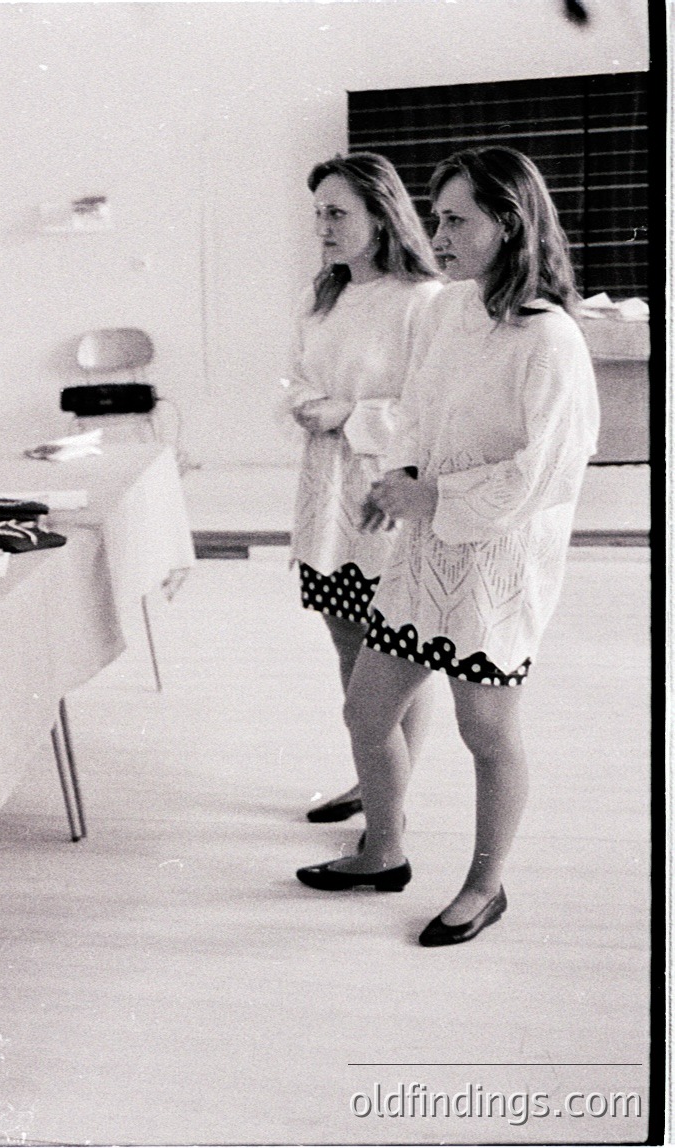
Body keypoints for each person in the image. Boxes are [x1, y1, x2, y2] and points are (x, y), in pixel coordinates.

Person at [296, 147, 600, 947]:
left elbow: (549, 474)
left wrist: (434, 495)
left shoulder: (551, 337)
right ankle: (384, 851)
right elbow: (418, 414)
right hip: (425, 553)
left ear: (508, 223)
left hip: (496, 566)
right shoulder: (450, 310)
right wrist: (394, 478)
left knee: (487, 733)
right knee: (367, 709)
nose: (441, 233)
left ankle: (483, 886)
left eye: (456, 219)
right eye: (437, 217)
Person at [286, 154, 444, 824]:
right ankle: (374, 780)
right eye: (318, 211)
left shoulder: (423, 301)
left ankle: (391, 805)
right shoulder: (321, 294)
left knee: (395, 661)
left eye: (336, 212)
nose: (321, 224)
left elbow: (431, 406)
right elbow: (293, 376)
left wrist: (349, 414)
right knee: (348, 649)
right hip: (327, 493)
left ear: (380, 216)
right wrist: (304, 402)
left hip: (386, 494)